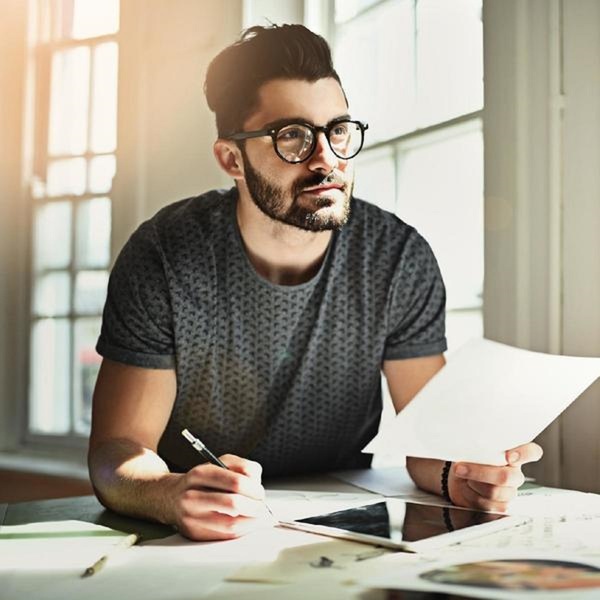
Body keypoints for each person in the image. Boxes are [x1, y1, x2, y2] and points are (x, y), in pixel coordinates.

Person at [88, 24, 543, 541]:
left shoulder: (396, 257)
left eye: (339, 130)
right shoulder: (164, 257)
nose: (326, 157)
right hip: (193, 537)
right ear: (231, 159)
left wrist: (459, 476)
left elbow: (428, 442)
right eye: (292, 137)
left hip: (343, 523)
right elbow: (115, 453)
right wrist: (171, 495)